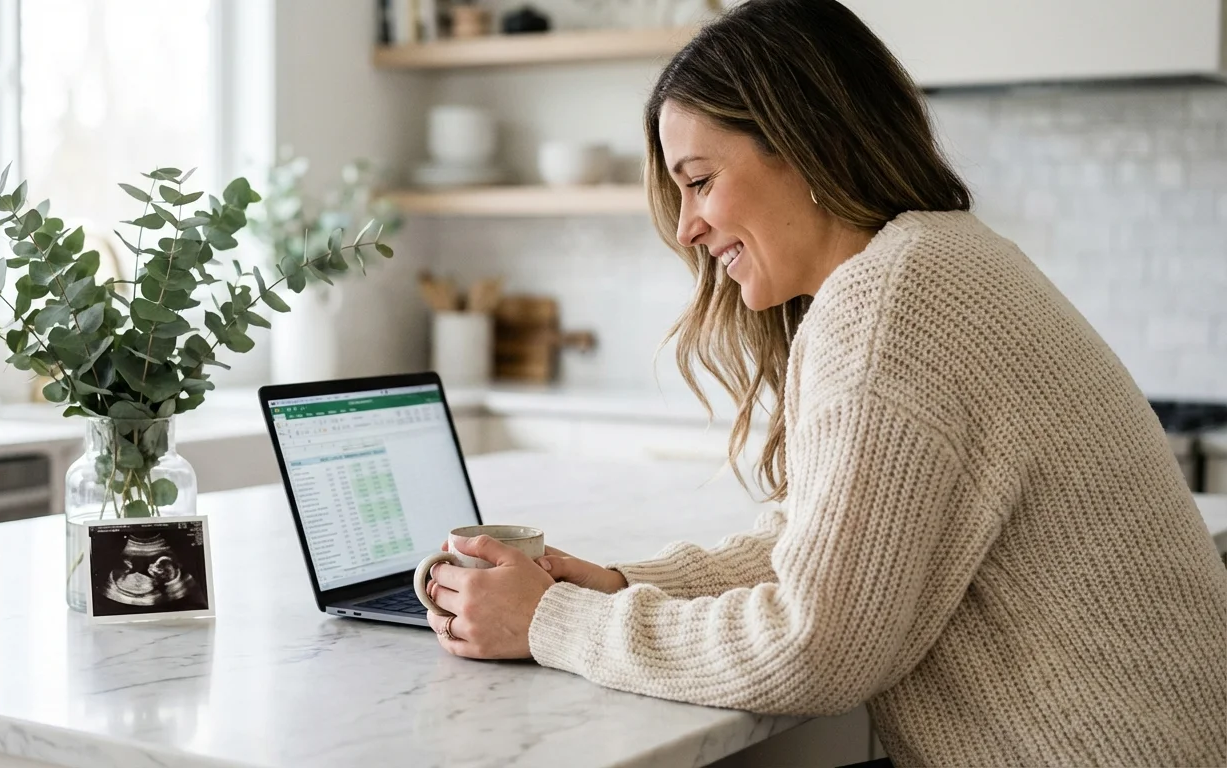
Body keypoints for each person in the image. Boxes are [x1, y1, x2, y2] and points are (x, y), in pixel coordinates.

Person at [422, 0, 1227, 764]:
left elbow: (814, 649)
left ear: (803, 143)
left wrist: (556, 622)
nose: (686, 225)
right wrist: (623, 584)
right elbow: (828, 544)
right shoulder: (936, 262)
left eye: (699, 180)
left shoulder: (891, 303)